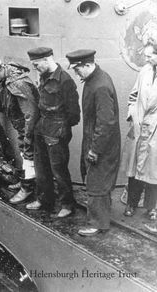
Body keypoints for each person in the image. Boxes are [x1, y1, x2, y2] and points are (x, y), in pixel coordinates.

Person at [66, 49, 121, 236]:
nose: (76, 73)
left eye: (77, 69)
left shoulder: (100, 85)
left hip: (102, 144)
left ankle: (97, 223)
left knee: (97, 181)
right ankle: (100, 214)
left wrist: (95, 149)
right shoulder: (94, 79)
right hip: (94, 139)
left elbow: (106, 122)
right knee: (94, 178)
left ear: (88, 65)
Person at [26, 47, 80, 218]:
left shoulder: (65, 80)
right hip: (41, 127)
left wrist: (61, 128)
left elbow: (74, 113)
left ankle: (67, 204)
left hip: (56, 129)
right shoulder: (43, 76)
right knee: (41, 168)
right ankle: (44, 199)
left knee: (59, 170)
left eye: (36, 64)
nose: (35, 68)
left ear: (47, 59)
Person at [0, 59, 40, 204]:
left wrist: (28, 136)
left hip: (29, 129)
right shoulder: (8, 79)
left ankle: (27, 188)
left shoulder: (17, 84)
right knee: (25, 155)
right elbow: (5, 107)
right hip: (22, 128)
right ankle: (26, 182)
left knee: (28, 158)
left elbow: (30, 113)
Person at [121, 42, 157, 221]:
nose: (147, 58)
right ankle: (131, 203)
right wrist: (132, 114)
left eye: (151, 55)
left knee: (154, 172)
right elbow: (134, 95)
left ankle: (152, 207)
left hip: (155, 130)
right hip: (139, 126)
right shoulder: (145, 71)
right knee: (134, 170)